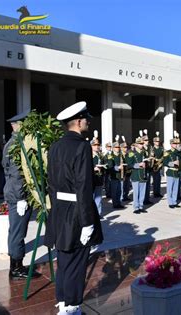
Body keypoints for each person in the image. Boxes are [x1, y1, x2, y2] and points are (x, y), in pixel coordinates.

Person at [45, 101, 103, 314]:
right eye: (86, 118)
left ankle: (62, 301)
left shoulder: (55, 146)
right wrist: (87, 223)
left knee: (64, 261)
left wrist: (54, 213)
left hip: (60, 211)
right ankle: (71, 307)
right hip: (77, 213)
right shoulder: (82, 146)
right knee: (77, 263)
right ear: (78, 121)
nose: (88, 121)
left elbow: (51, 183)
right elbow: (83, 187)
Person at [2, 111, 41, 280]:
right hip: (18, 195)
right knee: (18, 232)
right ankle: (16, 268)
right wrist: (21, 198)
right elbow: (17, 173)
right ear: (17, 126)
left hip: (15, 192)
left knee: (16, 231)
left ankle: (16, 265)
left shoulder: (13, 143)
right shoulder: (16, 145)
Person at [127, 137, 147, 214]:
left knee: (142, 191)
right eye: (140, 144)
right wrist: (139, 165)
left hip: (143, 173)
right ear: (136, 144)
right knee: (136, 192)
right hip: (135, 174)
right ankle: (136, 207)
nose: (142, 145)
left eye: (142, 143)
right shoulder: (131, 153)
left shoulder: (143, 152)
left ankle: (141, 206)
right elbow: (129, 164)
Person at [163, 137, 181, 208]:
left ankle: (174, 201)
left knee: (175, 188)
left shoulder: (178, 152)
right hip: (170, 171)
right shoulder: (167, 152)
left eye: (176, 143)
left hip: (177, 172)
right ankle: (170, 202)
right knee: (170, 188)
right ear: (171, 144)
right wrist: (173, 163)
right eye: (174, 143)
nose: (176, 145)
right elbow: (165, 163)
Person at [107, 141, 125, 209]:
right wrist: (118, 168)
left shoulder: (120, 155)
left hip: (120, 175)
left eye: (119, 147)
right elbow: (110, 166)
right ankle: (115, 204)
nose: (118, 148)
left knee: (119, 191)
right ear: (113, 148)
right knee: (114, 191)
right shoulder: (110, 156)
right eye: (116, 147)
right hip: (113, 176)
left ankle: (119, 203)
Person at [91, 137, 105, 219]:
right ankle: (92, 214)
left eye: (98, 145)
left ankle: (98, 213)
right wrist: (94, 168)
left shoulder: (100, 155)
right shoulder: (89, 155)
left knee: (99, 197)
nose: (97, 146)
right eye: (95, 145)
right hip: (92, 179)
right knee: (92, 198)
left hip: (99, 178)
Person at [150, 133, 164, 198]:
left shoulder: (161, 148)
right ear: (154, 142)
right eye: (156, 141)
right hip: (154, 166)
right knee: (154, 180)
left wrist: (161, 161)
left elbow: (164, 156)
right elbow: (151, 156)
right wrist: (155, 159)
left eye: (158, 141)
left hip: (160, 165)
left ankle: (158, 192)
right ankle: (155, 193)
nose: (157, 142)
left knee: (158, 180)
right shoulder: (152, 149)